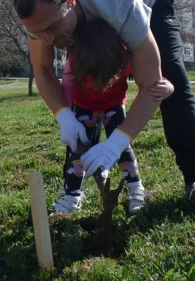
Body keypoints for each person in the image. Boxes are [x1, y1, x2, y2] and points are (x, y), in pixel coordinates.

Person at [13, 0, 195, 220]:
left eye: (51, 28)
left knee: (173, 82)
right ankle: (73, 191)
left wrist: (116, 143)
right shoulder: (40, 16)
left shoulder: (120, 3)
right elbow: (43, 70)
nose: (47, 40)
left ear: (70, 2)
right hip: (85, 12)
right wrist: (64, 116)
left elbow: (153, 86)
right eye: (38, 33)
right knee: (80, 93)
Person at [52, 18, 174, 215]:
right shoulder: (74, 62)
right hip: (83, 107)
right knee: (77, 150)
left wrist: (168, 86)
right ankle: (72, 194)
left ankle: (135, 188)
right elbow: (66, 89)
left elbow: (151, 76)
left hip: (113, 106)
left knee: (122, 147)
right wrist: (67, 117)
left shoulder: (124, 58)